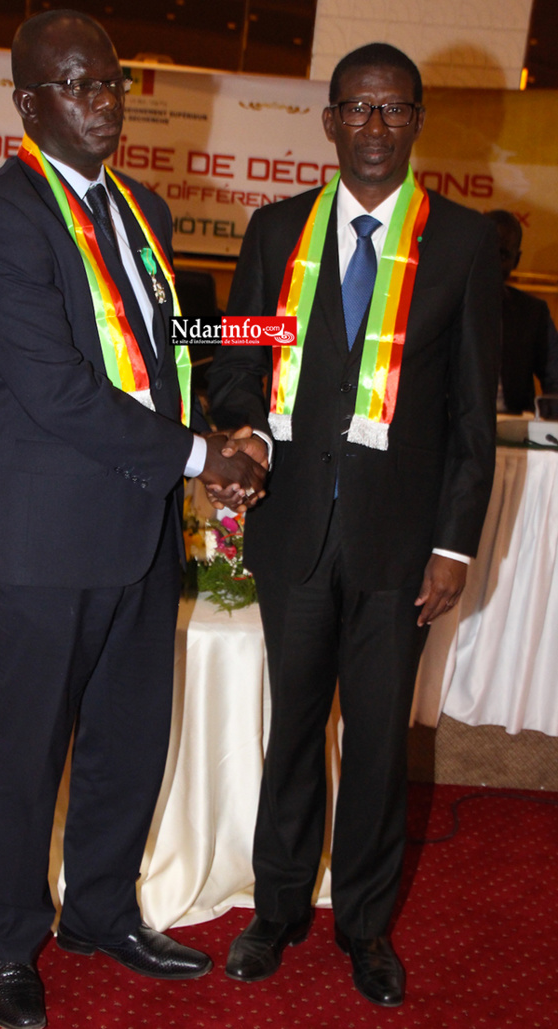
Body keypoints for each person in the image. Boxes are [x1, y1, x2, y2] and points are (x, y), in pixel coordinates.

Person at [0, 10, 265, 1029]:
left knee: (131, 741)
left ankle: (98, 912)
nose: (103, 104)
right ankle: (3, 941)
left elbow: (165, 335)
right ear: (29, 103)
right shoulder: (0, 220)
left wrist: (271, 342)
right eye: (78, 88)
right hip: (45, 538)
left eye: (112, 83)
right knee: (30, 752)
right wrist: (197, 459)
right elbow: (54, 388)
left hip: (137, 532)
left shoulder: (144, 212)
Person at [207, 42, 501, 1008]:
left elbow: (468, 417)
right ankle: (278, 909)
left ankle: (365, 927)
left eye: (393, 111)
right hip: (292, 534)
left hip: (397, 549)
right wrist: (241, 428)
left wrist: (454, 545)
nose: (373, 127)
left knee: (377, 744)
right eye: (356, 110)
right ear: (328, 121)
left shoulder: (460, 245)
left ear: (416, 122)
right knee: (289, 732)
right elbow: (232, 358)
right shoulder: (273, 229)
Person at [485, 209, 558, 414]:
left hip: (516, 433)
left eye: (503, 254)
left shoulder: (534, 314)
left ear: (516, 261)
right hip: (452, 433)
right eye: (488, 250)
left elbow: (556, 382)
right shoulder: (445, 305)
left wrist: (545, 428)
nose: (493, 262)